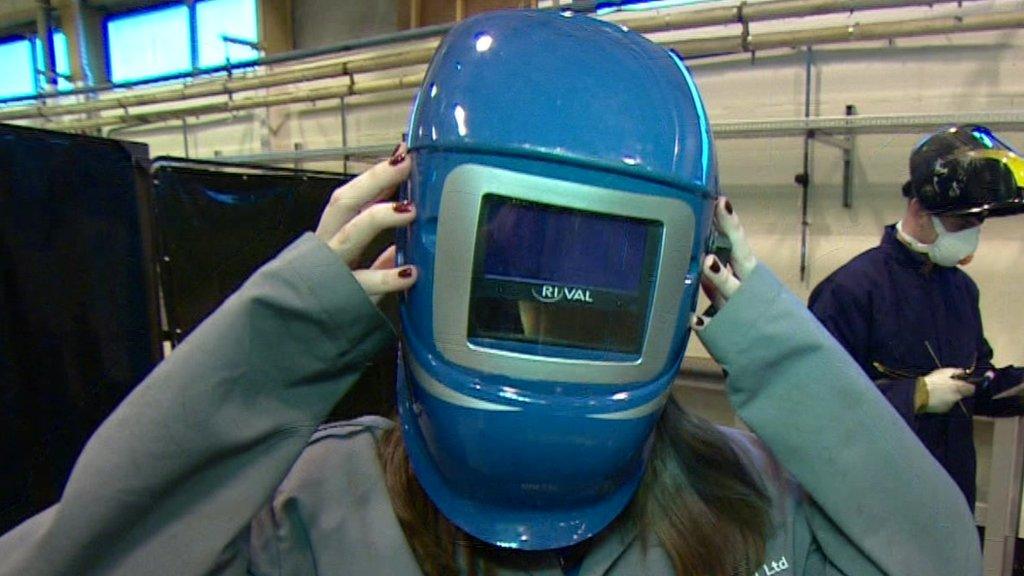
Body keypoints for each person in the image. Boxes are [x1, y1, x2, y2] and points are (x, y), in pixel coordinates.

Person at [0, 10, 980, 576]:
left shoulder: (749, 504)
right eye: (516, 251)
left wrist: (776, 342)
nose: (553, 305)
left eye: (608, 267)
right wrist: (289, 327)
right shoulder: (304, 518)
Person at [809, 124, 1024, 511]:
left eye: (978, 224)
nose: (972, 235)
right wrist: (916, 396)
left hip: (950, 504)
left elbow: (978, 380)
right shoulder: (851, 290)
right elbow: (817, 405)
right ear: (920, 210)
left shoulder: (961, 290)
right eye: (962, 224)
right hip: (876, 509)